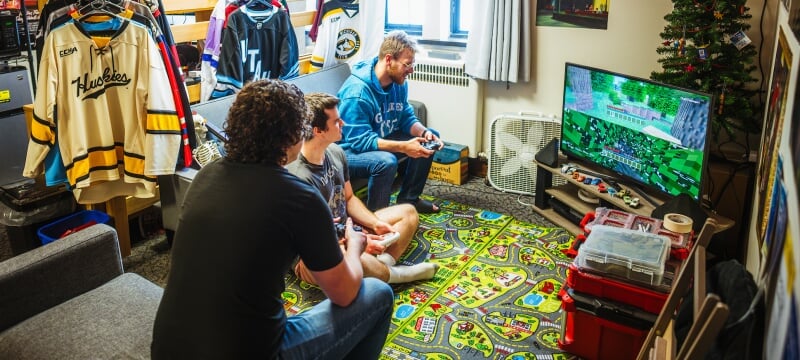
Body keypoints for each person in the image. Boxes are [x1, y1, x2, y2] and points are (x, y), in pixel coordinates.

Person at [151, 79, 393, 359]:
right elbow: (345, 293)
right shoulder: (299, 197)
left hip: (168, 348)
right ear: (294, 137)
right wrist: (355, 246)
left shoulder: (207, 175)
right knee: (377, 293)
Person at [288, 92, 439, 285]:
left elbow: (349, 198)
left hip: (345, 230)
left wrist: (375, 223)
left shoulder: (335, 151)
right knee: (344, 257)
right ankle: (397, 276)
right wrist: (356, 244)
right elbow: (311, 241)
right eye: (336, 121)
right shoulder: (299, 176)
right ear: (318, 131)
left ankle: (382, 267)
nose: (342, 123)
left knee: (408, 213)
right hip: (314, 252)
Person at [337, 30, 443, 213]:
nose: (411, 70)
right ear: (388, 60)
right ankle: (378, 216)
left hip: (378, 137)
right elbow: (360, 141)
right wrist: (404, 147)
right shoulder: (357, 92)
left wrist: (424, 133)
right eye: (407, 64)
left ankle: (409, 200)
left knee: (429, 140)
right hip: (348, 150)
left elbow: (405, 116)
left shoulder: (399, 83)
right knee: (386, 161)